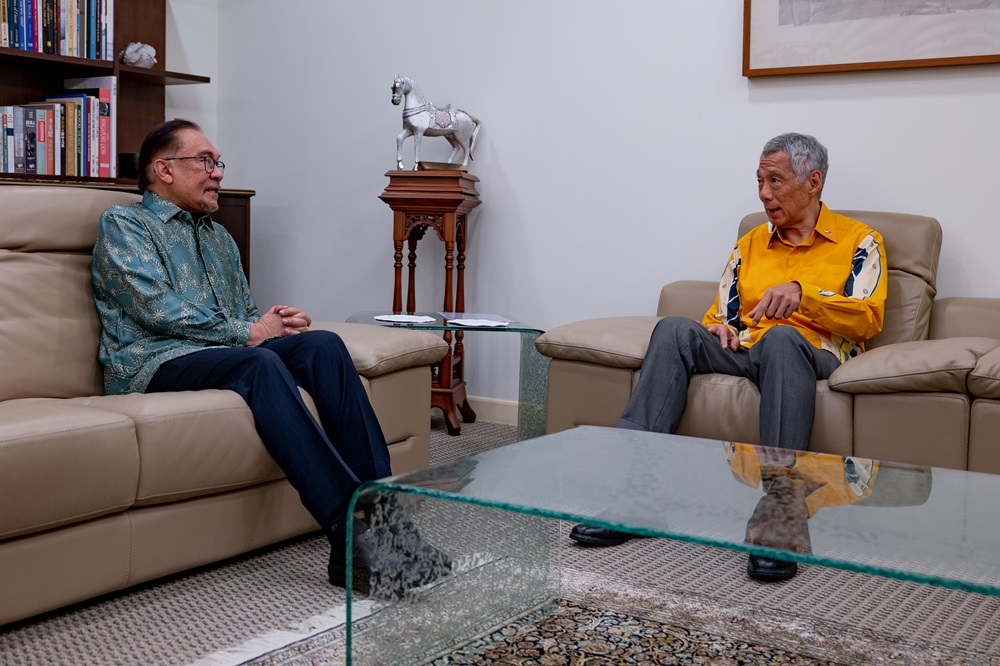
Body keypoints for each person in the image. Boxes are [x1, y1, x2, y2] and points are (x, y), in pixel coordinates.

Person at [91, 119, 448, 595]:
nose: (217, 172)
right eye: (205, 161)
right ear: (163, 169)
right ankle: (351, 536)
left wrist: (274, 323)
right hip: (151, 361)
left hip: (219, 353)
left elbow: (242, 315)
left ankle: (386, 519)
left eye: (218, 163)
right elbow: (154, 305)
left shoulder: (218, 238)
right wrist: (249, 332)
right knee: (260, 364)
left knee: (322, 345)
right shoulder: (124, 224)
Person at [569, 132, 888, 582]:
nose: (764, 193)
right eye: (759, 181)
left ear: (813, 182)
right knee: (675, 329)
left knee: (780, 338)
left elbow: (868, 318)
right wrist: (719, 327)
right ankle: (638, 495)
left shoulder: (860, 241)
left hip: (815, 353)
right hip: (748, 349)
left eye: (775, 181)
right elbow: (721, 314)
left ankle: (779, 516)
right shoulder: (751, 244)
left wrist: (804, 297)